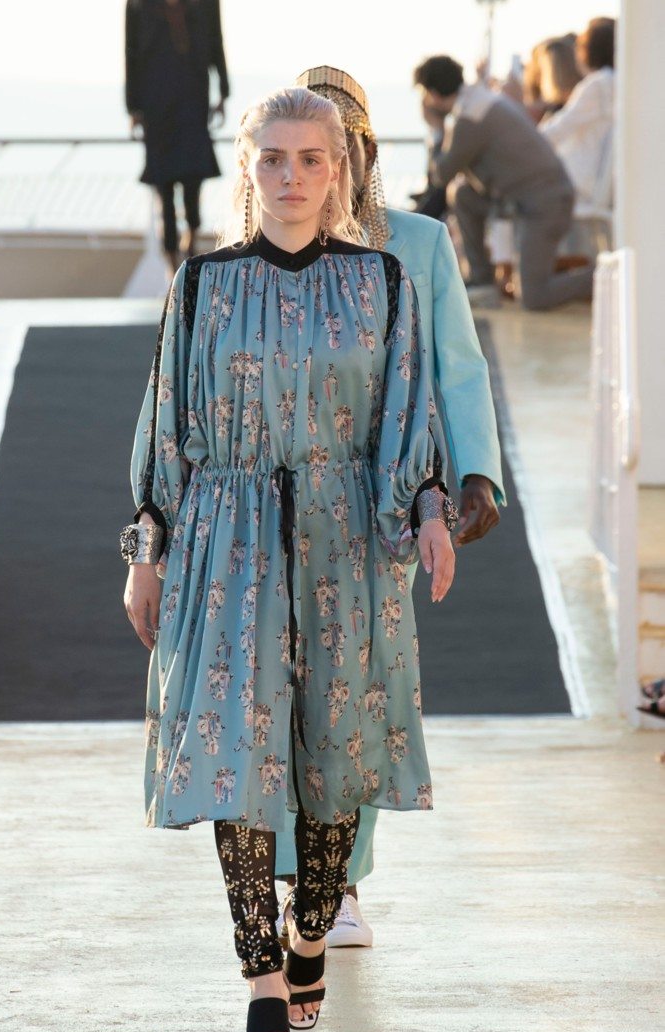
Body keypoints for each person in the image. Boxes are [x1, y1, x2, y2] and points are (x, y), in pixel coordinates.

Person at [123, 87, 457, 1032]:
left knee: (335, 754)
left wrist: (428, 513)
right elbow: (165, 426)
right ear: (247, 167)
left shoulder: (381, 280)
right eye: (272, 157)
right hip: (222, 542)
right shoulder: (202, 285)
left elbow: (408, 415)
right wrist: (145, 557)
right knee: (233, 749)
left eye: (310, 158)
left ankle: (311, 927)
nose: (290, 176)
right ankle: (261, 975)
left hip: (344, 542)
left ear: (338, 169)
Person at [273, 65, 505, 948]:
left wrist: (475, 473)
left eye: (336, 146)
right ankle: (298, 876)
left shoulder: (418, 242)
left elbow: (459, 368)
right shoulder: (259, 243)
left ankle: (339, 883)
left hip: (389, 500)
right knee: (280, 689)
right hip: (273, 501)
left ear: (361, 152)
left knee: (357, 692)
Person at [413, 54, 595, 311]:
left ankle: (604, 277)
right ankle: (482, 281)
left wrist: (436, 128)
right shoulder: (479, 100)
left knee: (534, 297)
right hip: (525, 199)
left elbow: (441, 175)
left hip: (544, 206)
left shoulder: (470, 118)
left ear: (432, 94)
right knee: (464, 194)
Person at [124, 0, 229, 279]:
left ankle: (190, 241)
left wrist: (223, 92)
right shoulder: (138, 5)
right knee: (163, 184)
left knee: (193, 177)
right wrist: (133, 108)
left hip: (193, 99)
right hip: (156, 104)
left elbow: (216, 40)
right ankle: (172, 261)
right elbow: (131, 53)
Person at [539, 18, 615, 209]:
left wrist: (525, 139)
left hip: (579, 183)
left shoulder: (597, 85)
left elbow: (558, 130)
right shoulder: (616, 82)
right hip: (599, 183)